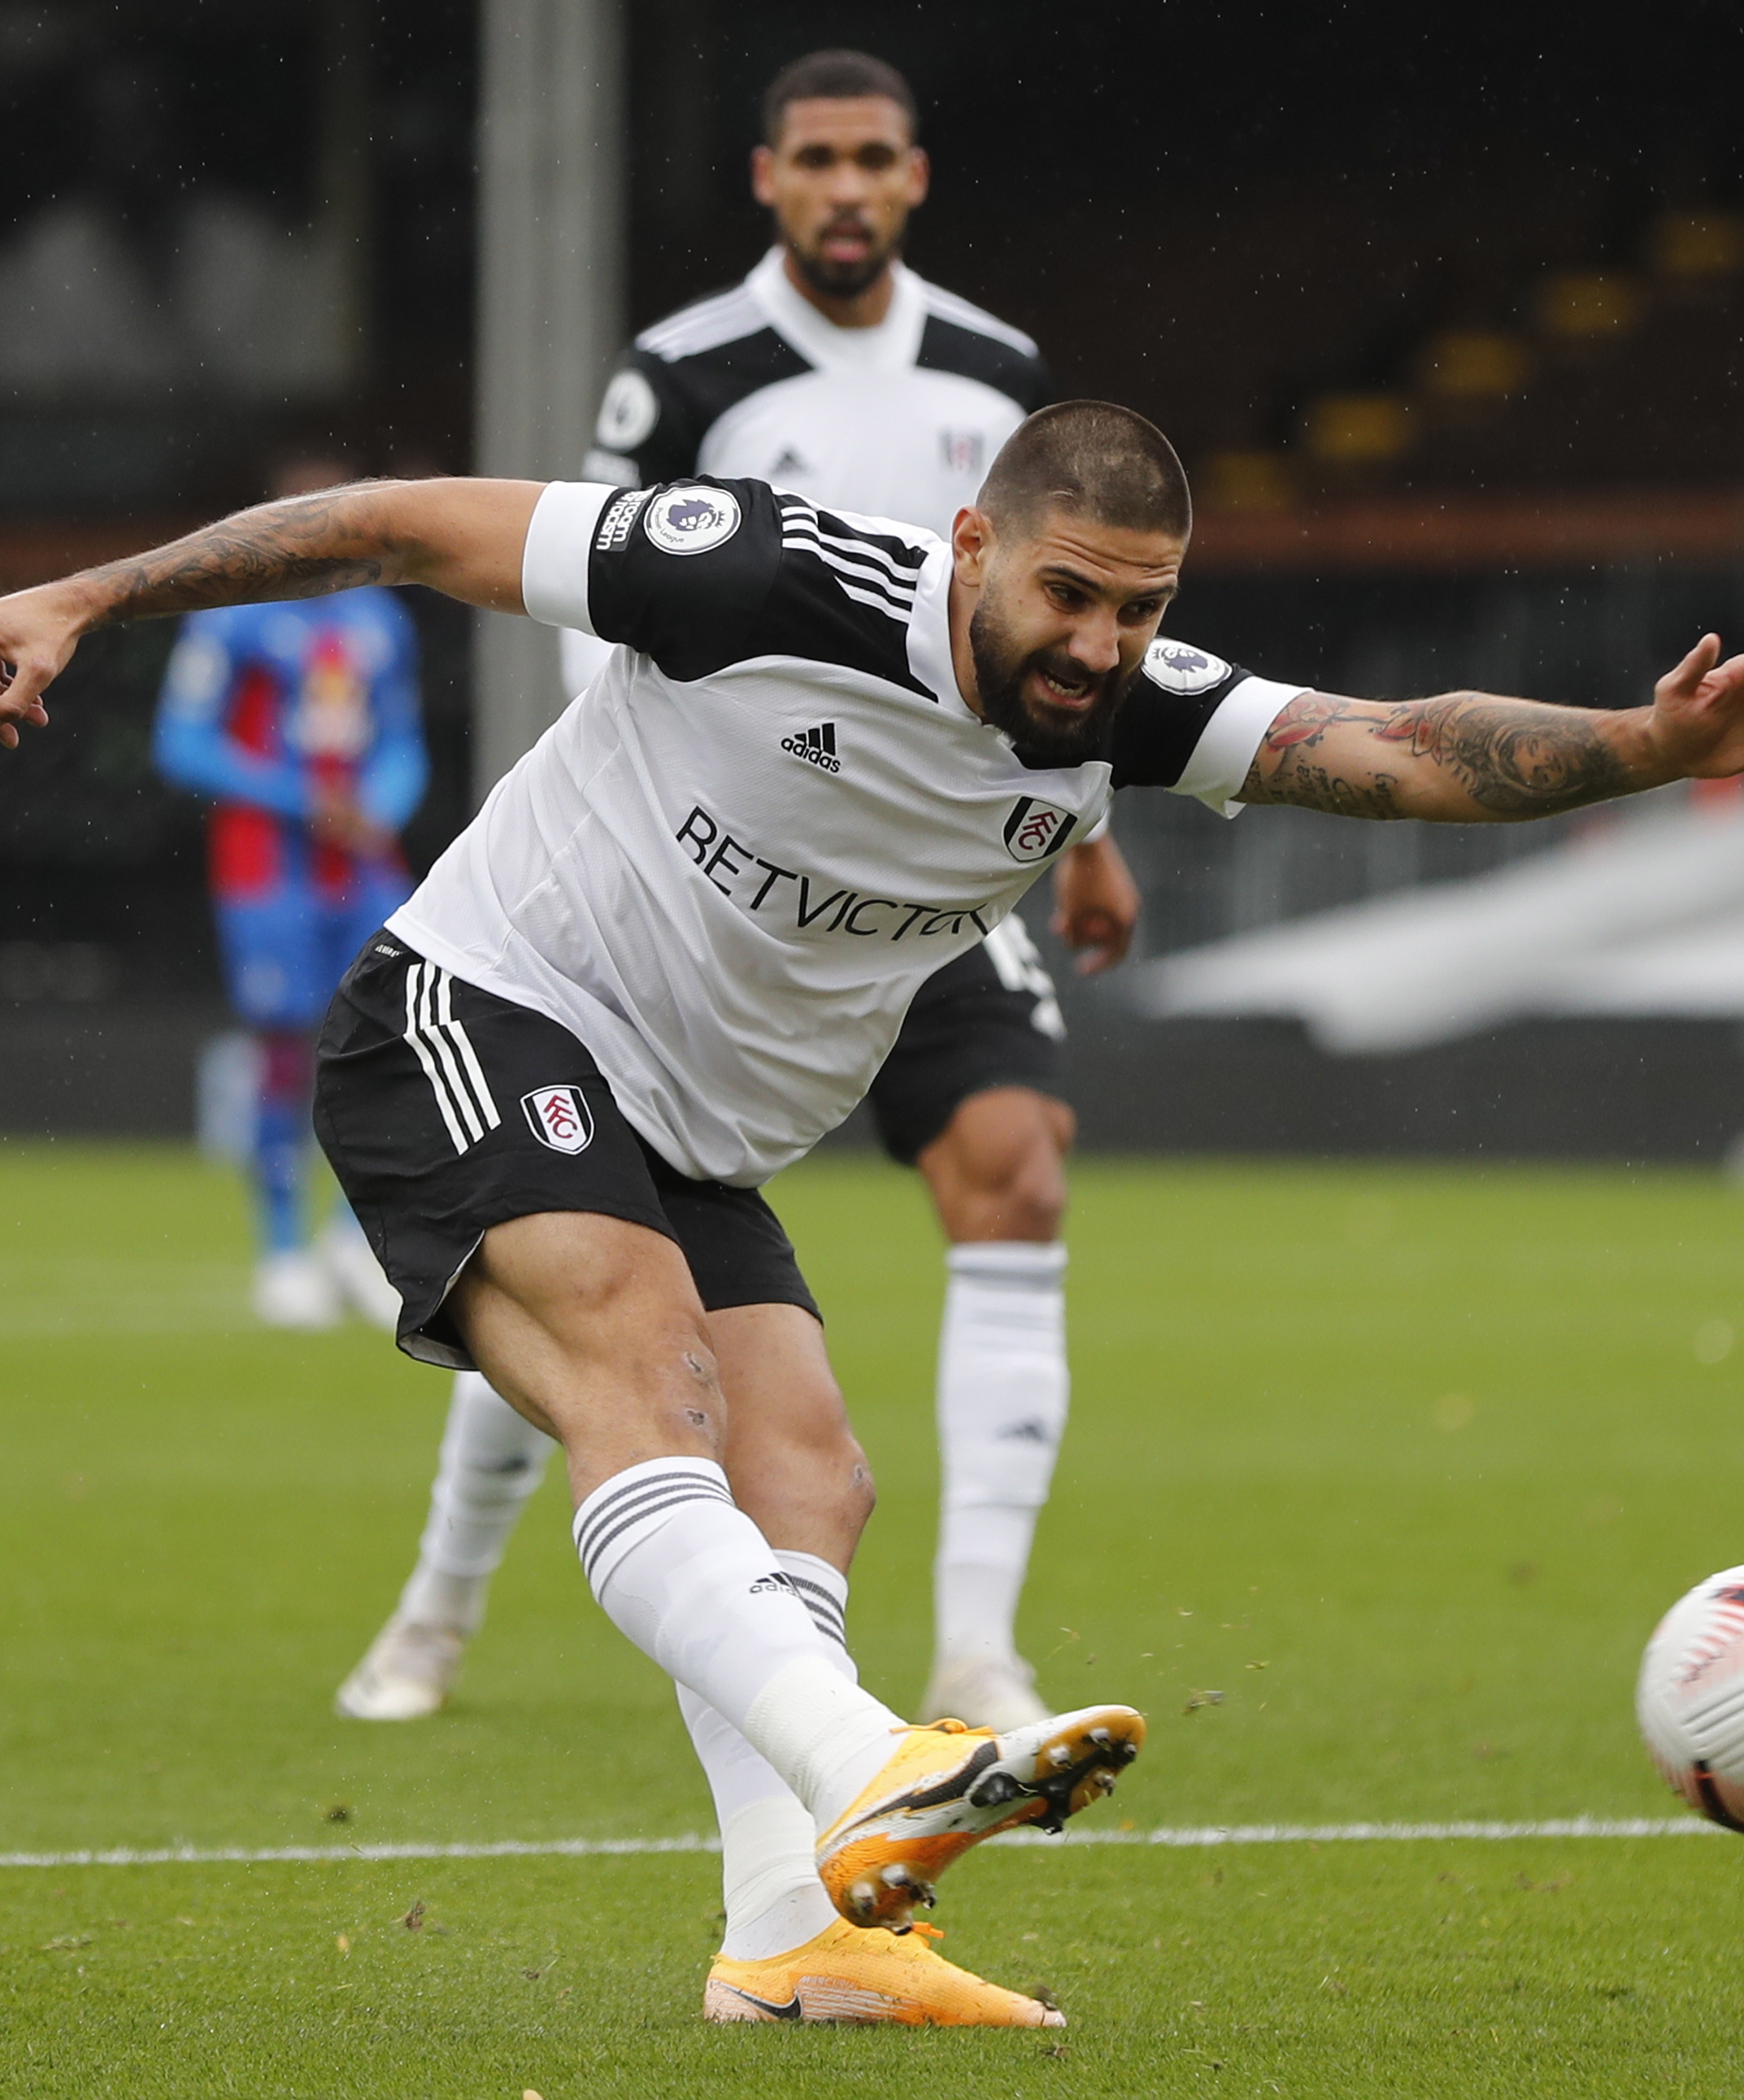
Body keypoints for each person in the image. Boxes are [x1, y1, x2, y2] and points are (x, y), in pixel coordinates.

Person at [0, 400, 1744, 2028]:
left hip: (688, 1131)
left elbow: (1403, 748)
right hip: (479, 1006)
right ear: (971, 543)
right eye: (1067, 593)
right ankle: (870, 1763)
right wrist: (86, 596)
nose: (1098, 643)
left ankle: (790, 1936)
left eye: (1141, 608)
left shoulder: (1119, 714)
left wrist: (1653, 745)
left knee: (810, 1481)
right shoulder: (757, 576)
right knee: (649, 1384)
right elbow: (412, 524)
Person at [336, 47, 1130, 1737]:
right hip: (716, 869)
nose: (847, 187)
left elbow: (1063, 649)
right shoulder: (686, 371)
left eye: (874, 159)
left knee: (1017, 1168)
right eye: (816, 159)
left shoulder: (1000, 372)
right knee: (599, 1259)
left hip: (931, 876)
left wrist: (1090, 840)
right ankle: (439, 1599)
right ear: (767, 178)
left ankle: (977, 1649)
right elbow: (604, 592)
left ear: (915, 178)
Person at [153, 453, 424, 1328]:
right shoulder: (231, 620)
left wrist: (380, 805)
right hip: (267, 870)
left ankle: (352, 1237)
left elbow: (402, 743)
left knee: (401, 1038)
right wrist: (300, 798)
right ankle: (280, 1252)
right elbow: (180, 743)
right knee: (281, 1052)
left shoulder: (381, 620)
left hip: (366, 867)